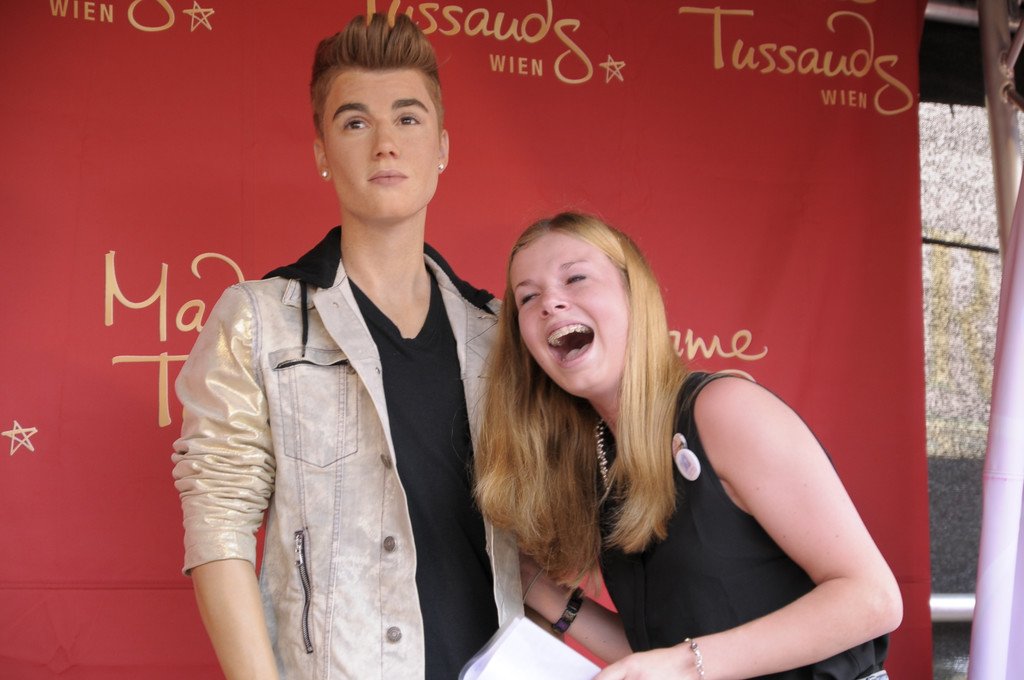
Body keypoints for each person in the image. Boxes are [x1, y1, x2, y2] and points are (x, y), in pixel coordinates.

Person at [171, 13, 521, 679]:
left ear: (442, 147)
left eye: (408, 119)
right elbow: (217, 525)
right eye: (355, 122)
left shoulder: (500, 336)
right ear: (321, 153)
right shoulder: (260, 321)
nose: (385, 144)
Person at [474, 212, 903, 679]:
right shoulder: (600, 458)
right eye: (528, 297)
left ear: (635, 294)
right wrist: (540, 589)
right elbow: (663, 654)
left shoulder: (724, 410)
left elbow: (873, 599)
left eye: (575, 278)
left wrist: (683, 663)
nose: (550, 303)